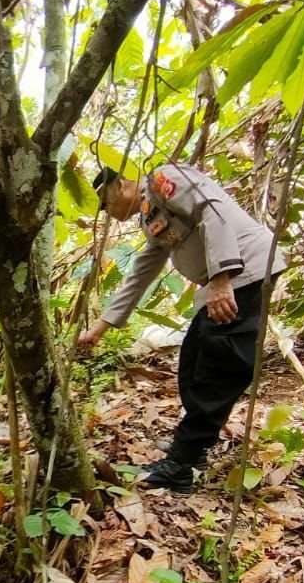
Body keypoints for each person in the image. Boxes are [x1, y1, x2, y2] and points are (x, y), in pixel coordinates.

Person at [77, 164, 286, 493]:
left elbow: (212, 211)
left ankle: (183, 463)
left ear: (120, 186)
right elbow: (143, 271)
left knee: (218, 366)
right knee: (192, 363)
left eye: (106, 203)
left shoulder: (164, 180)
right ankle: (194, 449)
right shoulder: (150, 218)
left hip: (244, 272)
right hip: (228, 281)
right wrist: (101, 327)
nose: (108, 213)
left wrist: (220, 279)